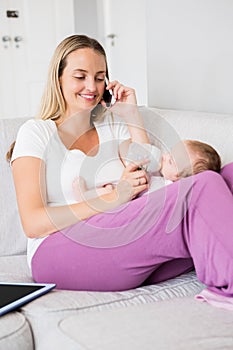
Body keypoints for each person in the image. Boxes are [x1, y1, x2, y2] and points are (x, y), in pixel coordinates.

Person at [8, 34, 233, 310]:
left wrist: (130, 114)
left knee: (229, 175)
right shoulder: (36, 132)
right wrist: (112, 198)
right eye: (80, 76)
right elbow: (33, 222)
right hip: (57, 251)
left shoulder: (109, 125)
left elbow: (146, 167)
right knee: (203, 185)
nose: (91, 86)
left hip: (124, 237)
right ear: (59, 78)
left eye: (100, 77)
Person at [72, 139, 221, 201]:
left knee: (108, 193)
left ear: (179, 178)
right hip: (126, 194)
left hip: (128, 204)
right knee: (109, 189)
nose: (164, 156)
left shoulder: (169, 189)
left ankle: (84, 197)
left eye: (170, 161)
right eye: (170, 151)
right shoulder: (161, 174)